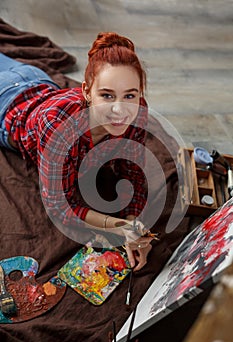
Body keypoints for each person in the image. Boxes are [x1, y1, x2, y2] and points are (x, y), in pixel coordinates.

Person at [0, 32, 154, 271]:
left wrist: (132, 225)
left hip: (33, 78)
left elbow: (133, 172)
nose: (120, 109)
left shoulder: (138, 112)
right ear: (86, 91)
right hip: (6, 103)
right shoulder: (58, 127)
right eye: (106, 95)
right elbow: (59, 205)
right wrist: (115, 226)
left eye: (130, 95)